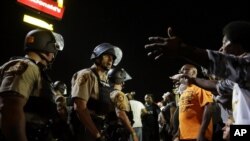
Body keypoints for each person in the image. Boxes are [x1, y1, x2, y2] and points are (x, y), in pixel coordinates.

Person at [144, 20, 250, 125]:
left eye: (224, 43)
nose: (221, 48)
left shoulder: (246, 67)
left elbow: (219, 62)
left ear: (238, 45)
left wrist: (182, 49)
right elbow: (218, 85)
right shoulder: (240, 77)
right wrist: (191, 80)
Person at [0, 28, 64, 141]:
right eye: (54, 48)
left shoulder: (35, 69)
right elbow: (11, 109)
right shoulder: (27, 66)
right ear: (47, 47)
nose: (54, 55)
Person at [70, 43, 122, 141]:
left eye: (112, 57)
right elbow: (80, 107)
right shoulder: (86, 75)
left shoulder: (105, 81)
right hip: (86, 126)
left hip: (99, 125)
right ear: (97, 57)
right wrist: (97, 135)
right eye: (107, 56)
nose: (111, 60)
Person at [171, 64, 214, 141]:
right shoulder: (185, 90)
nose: (181, 72)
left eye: (185, 69)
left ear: (193, 72)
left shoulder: (200, 86)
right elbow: (184, 114)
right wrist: (178, 133)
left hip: (197, 136)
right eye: (181, 70)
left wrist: (201, 133)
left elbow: (209, 107)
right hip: (184, 136)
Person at [106, 67, 138, 141]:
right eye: (123, 80)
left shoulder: (108, 92)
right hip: (119, 131)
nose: (124, 82)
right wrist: (133, 133)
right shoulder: (118, 93)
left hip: (111, 130)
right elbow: (121, 115)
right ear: (120, 80)